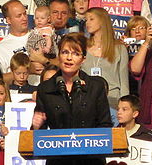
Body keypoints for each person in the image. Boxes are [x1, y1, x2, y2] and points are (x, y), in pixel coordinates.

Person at [32, 32, 112, 165]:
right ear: (59, 56)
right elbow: (39, 135)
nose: (69, 58)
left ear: (83, 59)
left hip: (91, 160)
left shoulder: (95, 87)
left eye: (75, 54)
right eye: (65, 52)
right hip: (58, 160)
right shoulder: (45, 89)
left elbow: (105, 125)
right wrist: (36, 126)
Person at [82, 7, 129, 109]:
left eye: (91, 19)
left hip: (113, 101)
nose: (87, 23)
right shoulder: (83, 48)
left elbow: (124, 83)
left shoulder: (119, 49)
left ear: (102, 20)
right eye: (86, 20)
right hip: (88, 101)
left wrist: (124, 107)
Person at [0, 0, 45, 86]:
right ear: (8, 20)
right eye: (19, 16)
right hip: (17, 95)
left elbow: (57, 63)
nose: (24, 18)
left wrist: (44, 60)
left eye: (25, 14)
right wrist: (27, 69)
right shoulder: (0, 48)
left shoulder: (41, 36)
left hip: (43, 92)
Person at [122, 16, 150, 96]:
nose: (137, 31)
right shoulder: (123, 47)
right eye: (133, 29)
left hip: (145, 86)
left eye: (141, 28)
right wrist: (122, 50)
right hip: (129, 87)